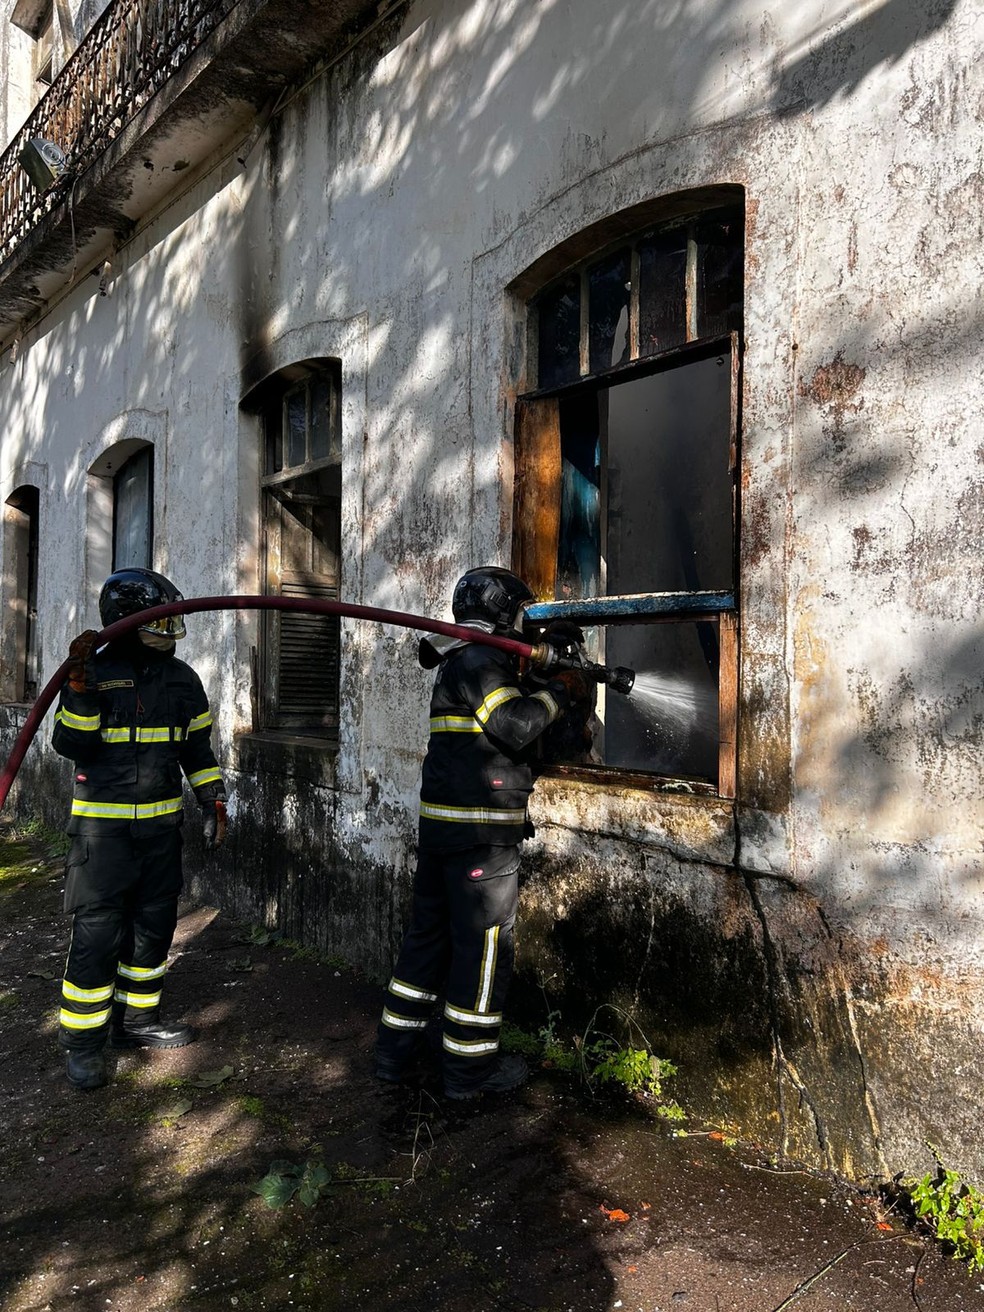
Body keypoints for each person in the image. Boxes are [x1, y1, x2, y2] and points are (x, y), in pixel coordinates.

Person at [374, 566, 592, 1100]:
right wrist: (560, 691)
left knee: (427, 940)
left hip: (446, 832)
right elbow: (516, 726)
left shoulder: (463, 659)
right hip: (480, 838)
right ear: (503, 612)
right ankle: (469, 1072)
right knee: (484, 947)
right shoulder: (479, 659)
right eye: (521, 615)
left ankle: (393, 1055)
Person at [52, 568, 228, 1091]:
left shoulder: (183, 680)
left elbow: (196, 750)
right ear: (127, 624)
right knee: (98, 934)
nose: (169, 631)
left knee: (155, 929)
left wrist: (211, 797)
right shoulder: (91, 673)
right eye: (158, 622)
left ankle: (137, 1022)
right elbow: (72, 746)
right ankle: (83, 1043)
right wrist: (80, 692)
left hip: (160, 834)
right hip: (102, 839)